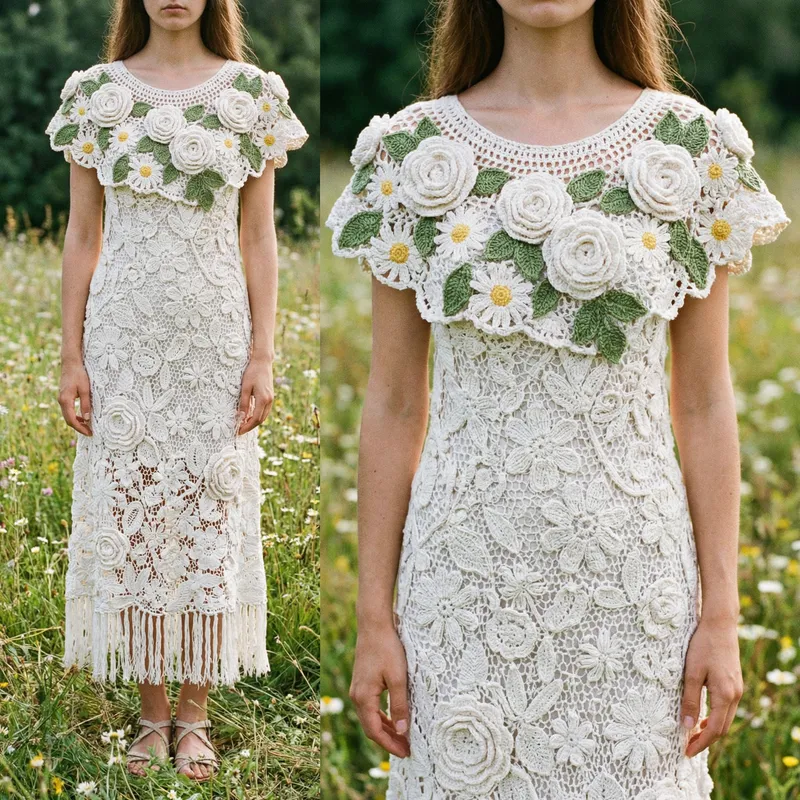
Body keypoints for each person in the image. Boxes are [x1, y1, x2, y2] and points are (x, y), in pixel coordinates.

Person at [326, 0, 790, 797]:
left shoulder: (691, 149)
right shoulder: (412, 152)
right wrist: (376, 621)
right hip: (460, 592)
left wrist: (722, 616)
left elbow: (707, 404)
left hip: (635, 603)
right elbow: (396, 405)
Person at [45, 0, 307, 781]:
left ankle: (195, 715)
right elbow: (82, 234)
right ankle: (152, 713)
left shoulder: (253, 93)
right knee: (134, 515)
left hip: (214, 341)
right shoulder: (97, 93)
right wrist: (71, 355)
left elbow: (258, 236)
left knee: (207, 513)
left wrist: (264, 351)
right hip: (122, 336)